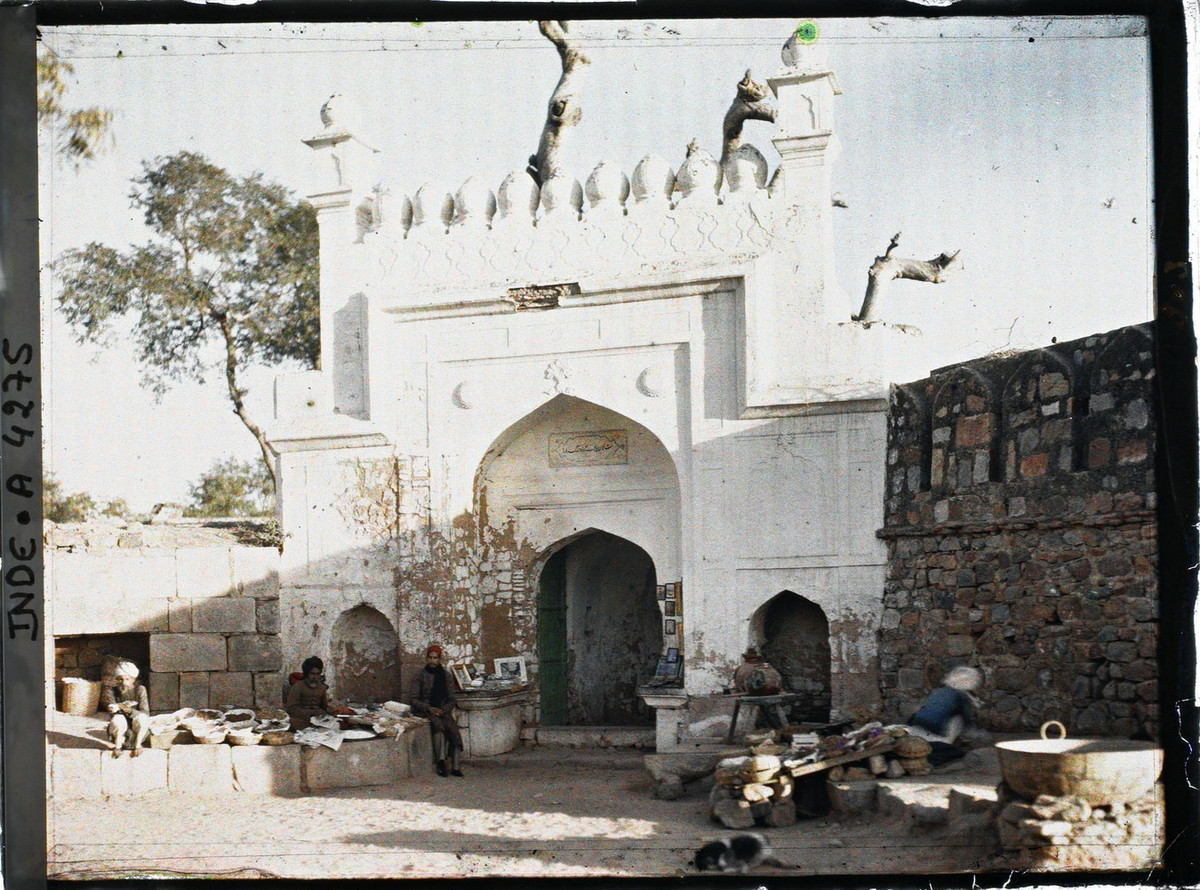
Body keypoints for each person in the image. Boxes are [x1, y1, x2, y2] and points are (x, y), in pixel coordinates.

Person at [410, 644, 464, 777]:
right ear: (426, 659)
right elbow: (414, 699)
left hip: (442, 710)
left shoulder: (446, 676)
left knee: (454, 731)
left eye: (435, 658)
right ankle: (441, 763)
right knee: (438, 728)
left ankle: (456, 767)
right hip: (426, 710)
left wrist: (443, 709)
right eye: (430, 658)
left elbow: (452, 699)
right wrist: (429, 708)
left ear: (440, 659)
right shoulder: (420, 676)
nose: (432, 661)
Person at [906, 666, 983, 744]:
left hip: (914, 729)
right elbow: (967, 726)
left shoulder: (939, 691)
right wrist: (980, 735)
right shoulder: (960, 698)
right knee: (957, 719)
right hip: (934, 737)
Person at [102, 660, 150, 757]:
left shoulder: (140, 690)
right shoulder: (112, 691)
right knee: (117, 719)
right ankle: (118, 747)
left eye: (127, 679)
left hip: (136, 726)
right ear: (116, 680)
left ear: (133, 679)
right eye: (120, 679)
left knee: (143, 718)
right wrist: (112, 708)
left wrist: (130, 711)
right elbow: (111, 706)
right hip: (121, 729)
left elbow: (145, 712)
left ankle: (138, 745)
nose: (123, 683)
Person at [285, 655, 334, 730]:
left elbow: (323, 707)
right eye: (312, 674)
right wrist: (312, 712)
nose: (315, 677)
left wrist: (328, 710)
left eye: (317, 674)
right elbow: (291, 709)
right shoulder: (297, 687)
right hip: (302, 719)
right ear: (306, 673)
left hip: (318, 720)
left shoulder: (321, 688)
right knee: (291, 723)